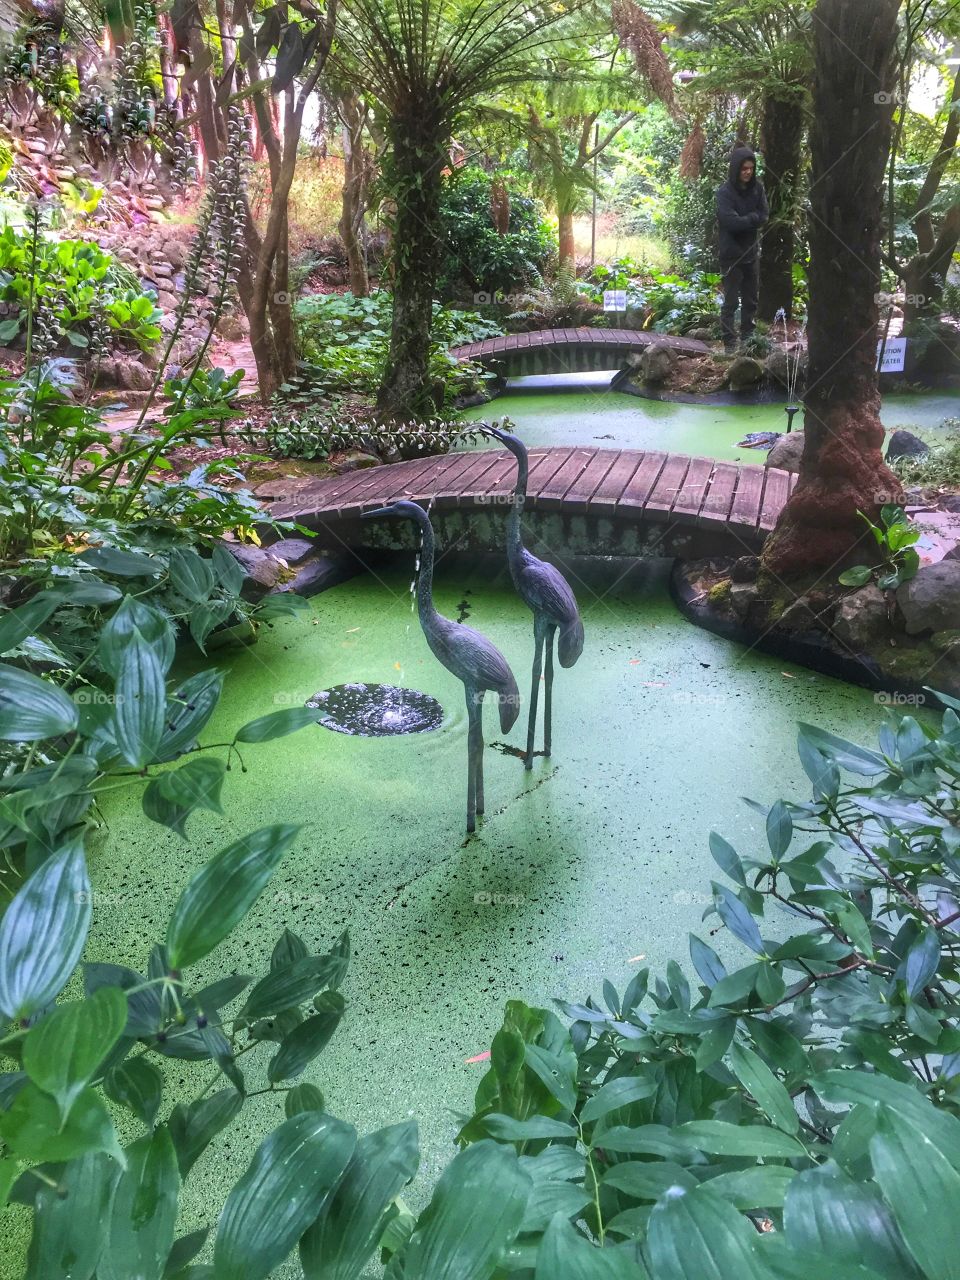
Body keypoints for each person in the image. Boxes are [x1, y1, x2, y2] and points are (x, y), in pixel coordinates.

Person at [715, 146, 768, 354]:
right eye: (744, 168)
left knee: (750, 301)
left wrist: (748, 219)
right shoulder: (724, 193)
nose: (748, 172)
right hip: (731, 256)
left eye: (751, 168)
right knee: (730, 302)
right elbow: (731, 222)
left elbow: (764, 215)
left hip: (751, 253)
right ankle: (729, 345)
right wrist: (752, 219)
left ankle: (748, 342)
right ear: (736, 169)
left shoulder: (758, 189)